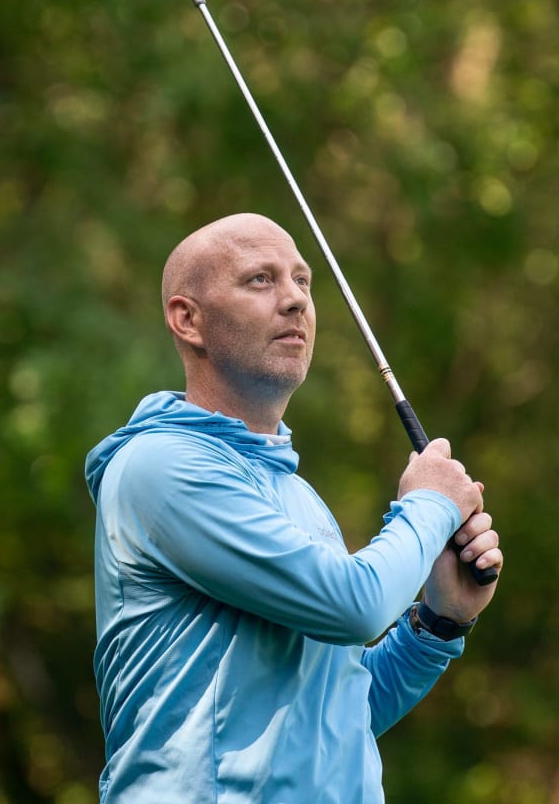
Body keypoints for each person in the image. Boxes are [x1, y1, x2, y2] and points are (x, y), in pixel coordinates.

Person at [84, 212, 503, 802]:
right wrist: (431, 502)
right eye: (260, 280)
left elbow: (337, 714)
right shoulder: (162, 467)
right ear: (188, 320)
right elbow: (354, 604)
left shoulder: (295, 493)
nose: (295, 302)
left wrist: (439, 622)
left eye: (303, 282)